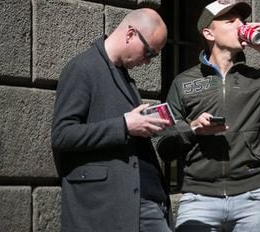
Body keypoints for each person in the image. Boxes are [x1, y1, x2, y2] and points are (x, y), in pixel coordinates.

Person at [157, 1, 260, 231]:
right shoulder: (184, 82)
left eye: (243, 21)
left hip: (251, 199)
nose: (241, 25)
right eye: (231, 21)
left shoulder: (259, 79)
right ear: (209, 33)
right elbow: (164, 145)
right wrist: (192, 129)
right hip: (198, 198)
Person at [51, 8, 173, 232]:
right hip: (111, 206)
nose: (148, 62)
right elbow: (62, 135)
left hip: (143, 200)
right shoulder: (82, 68)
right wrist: (125, 125)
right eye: (149, 53)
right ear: (130, 35)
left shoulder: (124, 77)